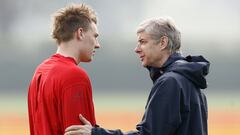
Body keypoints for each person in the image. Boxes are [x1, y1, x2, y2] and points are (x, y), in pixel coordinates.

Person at [64, 17, 210, 135]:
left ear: (163, 43)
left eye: (143, 42)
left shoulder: (170, 82)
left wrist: (96, 133)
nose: (136, 49)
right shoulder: (189, 80)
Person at [28, 3, 100, 135]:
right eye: (95, 36)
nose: (97, 45)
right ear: (80, 33)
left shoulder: (40, 71)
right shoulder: (75, 76)